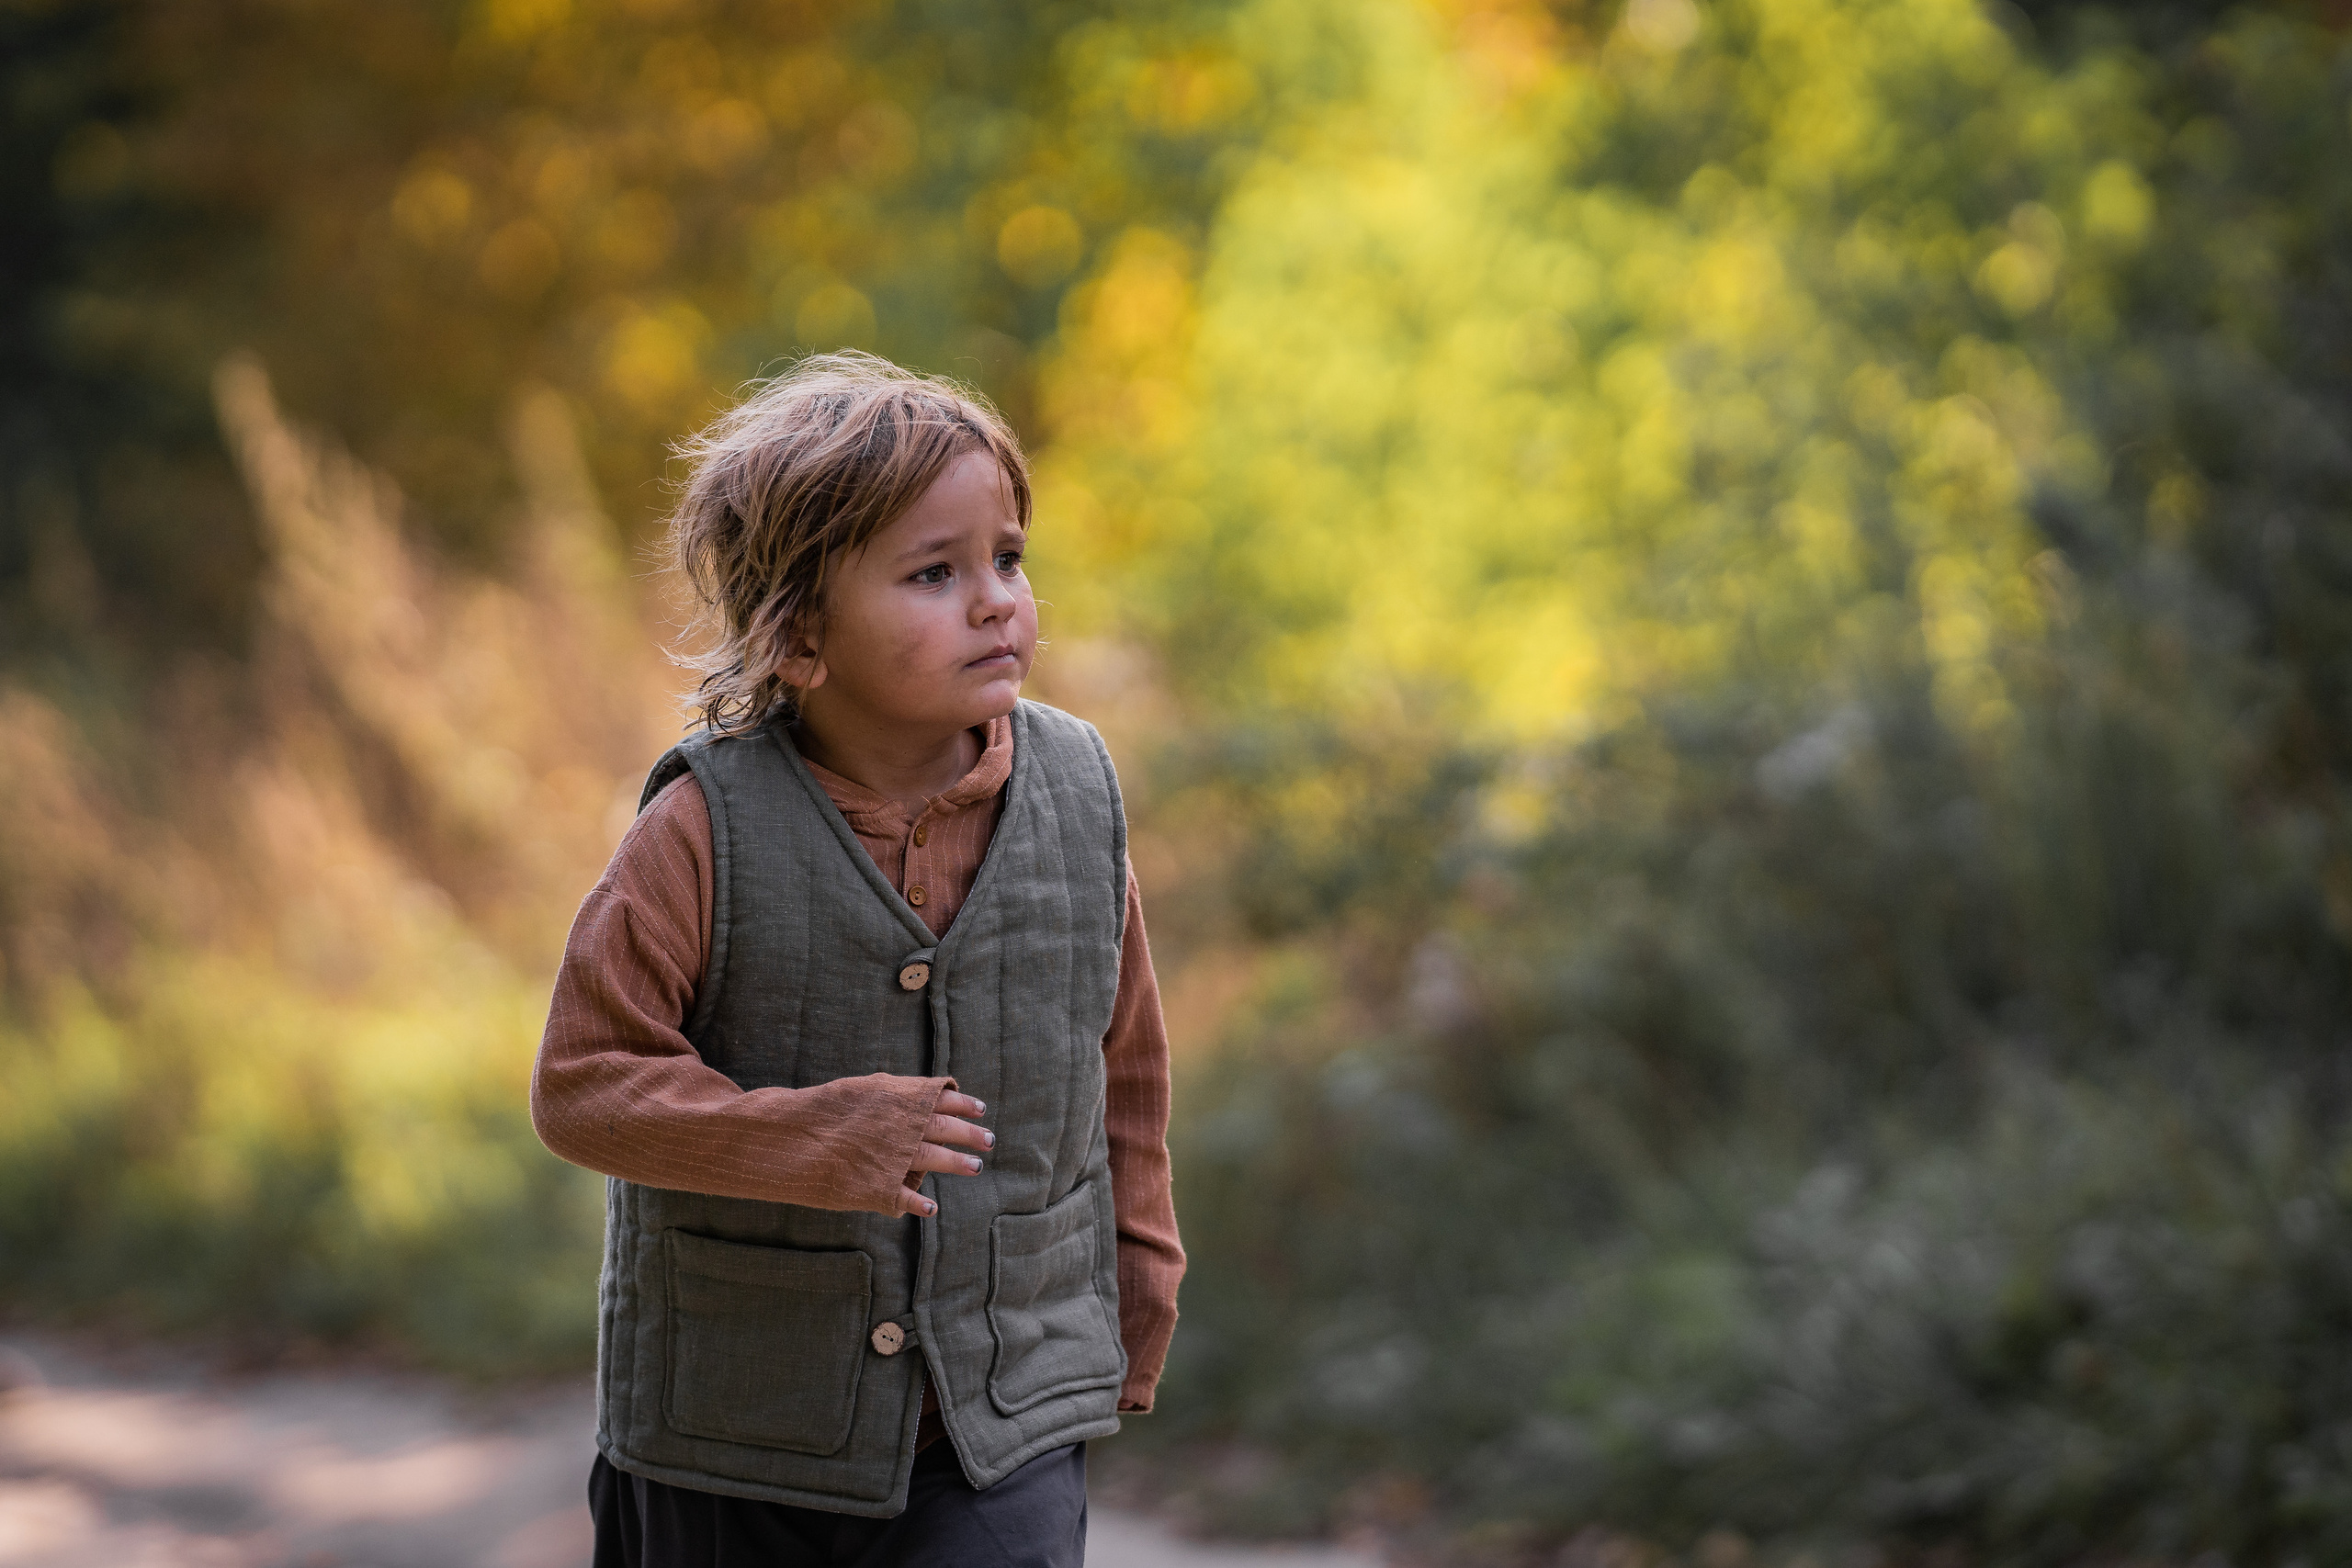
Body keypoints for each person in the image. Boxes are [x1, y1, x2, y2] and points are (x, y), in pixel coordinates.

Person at [529, 351, 1184, 1567]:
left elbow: (1121, 1062)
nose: (995, 600)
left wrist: (1141, 1271)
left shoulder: (1076, 799)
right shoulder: (701, 830)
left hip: (999, 1419)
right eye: (934, 573)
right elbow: (582, 1085)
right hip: (735, 1439)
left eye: (1008, 557)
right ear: (800, 639)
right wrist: (808, 1138)